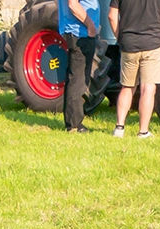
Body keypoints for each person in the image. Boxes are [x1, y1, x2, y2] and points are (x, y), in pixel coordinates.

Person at [109, 0, 160, 137]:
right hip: (153, 45)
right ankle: (143, 131)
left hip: (129, 45)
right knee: (148, 88)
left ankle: (119, 128)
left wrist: (120, 37)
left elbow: (112, 16)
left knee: (127, 87)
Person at [60, 0, 103, 131]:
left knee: (77, 77)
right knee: (78, 79)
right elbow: (73, 4)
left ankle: (73, 121)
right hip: (80, 33)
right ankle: (73, 124)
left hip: (81, 32)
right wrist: (90, 26)